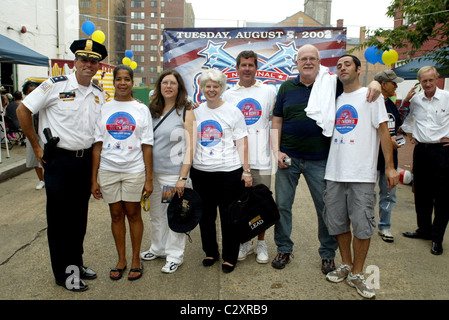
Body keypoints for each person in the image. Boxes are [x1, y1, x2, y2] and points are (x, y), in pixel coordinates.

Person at [271, 44, 381, 273]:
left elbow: (356, 84)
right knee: (282, 206)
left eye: (312, 58)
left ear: (319, 62)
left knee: (326, 209)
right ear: (297, 62)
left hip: (320, 160)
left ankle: (328, 254)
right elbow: (277, 121)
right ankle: (283, 249)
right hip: (288, 158)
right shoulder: (286, 87)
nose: (308, 62)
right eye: (303, 58)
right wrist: (276, 151)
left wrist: (376, 81)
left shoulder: (332, 85)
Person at [16, 39, 108, 291]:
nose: (88, 65)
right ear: (75, 62)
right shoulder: (54, 86)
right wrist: (35, 147)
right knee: (60, 222)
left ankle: (76, 265)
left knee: (79, 219)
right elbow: (23, 110)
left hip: (84, 161)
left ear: (98, 65)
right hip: (59, 161)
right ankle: (65, 274)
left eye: (93, 61)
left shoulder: (98, 93)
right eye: (84, 60)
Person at [323, 55, 399, 299]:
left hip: (362, 175)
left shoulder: (372, 96)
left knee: (363, 226)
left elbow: (384, 132)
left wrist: (389, 167)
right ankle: (346, 264)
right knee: (337, 223)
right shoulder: (332, 99)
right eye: (339, 66)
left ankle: (357, 272)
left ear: (358, 69)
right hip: (334, 172)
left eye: (347, 64)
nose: (342, 68)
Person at [91, 64, 153, 281]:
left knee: (134, 214)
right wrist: (94, 179)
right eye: (119, 79)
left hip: (133, 170)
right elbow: (97, 145)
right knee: (116, 215)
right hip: (108, 170)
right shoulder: (104, 108)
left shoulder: (141, 109)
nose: (123, 83)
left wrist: (149, 178)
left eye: (127, 79)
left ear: (132, 82)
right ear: (114, 82)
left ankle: (136, 259)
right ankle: (121, 259)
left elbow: (147, 146)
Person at [190, 68, 252, 273]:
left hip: (229, 172)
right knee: (205, 216)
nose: (211, 89)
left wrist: (247, 170)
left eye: (215, 86)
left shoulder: (233, 111)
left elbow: (242, 142)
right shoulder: (196, 112)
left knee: (229, 217)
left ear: (221, 88)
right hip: (201, 172)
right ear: (202, 89)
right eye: (208, 86)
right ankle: (210, 252)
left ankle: (229, 256)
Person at [222, 50, 276, 264]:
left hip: (261, 160)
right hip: (235, 161)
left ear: (256, 68)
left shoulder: (269, 92)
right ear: (237, 68)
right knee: (240, 205)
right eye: (243, 65)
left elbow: (276, 121)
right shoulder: (228, 95)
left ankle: (261, 243)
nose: (247, 69)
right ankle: (245, 241)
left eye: (251, 65)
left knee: (262, 204)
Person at [140, 69, 195, 274]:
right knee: (156, 214)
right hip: (153, 174)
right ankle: (158, 248)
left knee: (173, 215)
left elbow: (191, 146)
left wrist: (183, 176)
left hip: (173, 175)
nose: (168, 86)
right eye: (165, 83)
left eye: (172, 83)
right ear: (159, 86)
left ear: (179, 87)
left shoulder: (186, 111)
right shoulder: (152, 110)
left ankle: (174, 255)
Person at [401, 66, 449, 255]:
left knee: (443, 197)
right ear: (419, 82)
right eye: (424, 81)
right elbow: (406, 118)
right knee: (421, 194)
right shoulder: (416, 100)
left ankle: (437, 238)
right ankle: (424, 230)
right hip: (421, 151)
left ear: (437, 79)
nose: (428, 84)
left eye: (431, 80)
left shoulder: (447, 97)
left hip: (442, 152)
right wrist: (410, 132)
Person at [373, 70, 405, 242]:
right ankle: (367, 226)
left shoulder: (391, 104)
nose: (396, 86)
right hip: (372, 159)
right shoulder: (370, 103)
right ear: (383, 85)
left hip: (390, 160)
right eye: (393, 83)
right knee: (368, 196)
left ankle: (385, 226)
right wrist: (384, 140)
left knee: (388, 195)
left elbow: (396, 128)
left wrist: (396, 139)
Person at [21, 81, 45, 190]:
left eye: (35, 91)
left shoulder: (44, 102)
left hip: (44, 135)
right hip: (32, 135)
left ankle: (48, 178)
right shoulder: (25, 105)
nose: (33, 93)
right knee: (35, 158)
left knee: (45, 158)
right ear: (26, 93)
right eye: (30, 91)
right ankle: (41, 180)